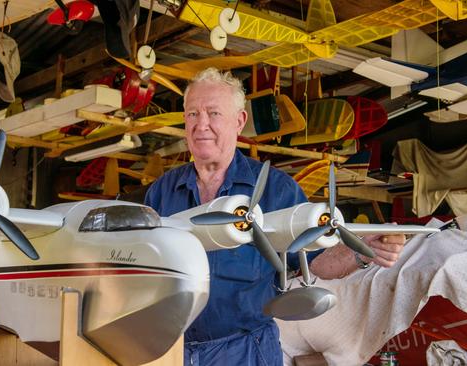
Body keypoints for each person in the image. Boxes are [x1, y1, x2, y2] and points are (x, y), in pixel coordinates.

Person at [144, 68, 406, 366]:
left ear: (239, 121)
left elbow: (319, 259)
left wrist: (361, 250)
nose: (201, 124)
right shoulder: (161, 192)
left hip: (245, 351)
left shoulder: (275, 189)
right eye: (192, 114)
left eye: (214, 113)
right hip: (173, 348)